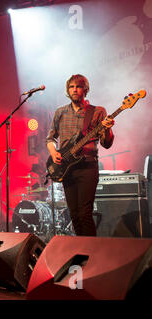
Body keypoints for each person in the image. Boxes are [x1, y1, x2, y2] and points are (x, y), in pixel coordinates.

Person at [46, 74, 114, 236]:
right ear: (67, 90)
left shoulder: (97, 112)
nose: (74, 90)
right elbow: (50, 138)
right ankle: (82, 251)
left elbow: (107, 144)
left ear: (85, 89)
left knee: (85, 214)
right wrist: (53, 152)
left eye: (78, 86)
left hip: (87, 167)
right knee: (75, 215)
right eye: (71, 87)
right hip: (67, 168)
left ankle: (91, 253)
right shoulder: (60, 112)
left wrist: (107, 128)